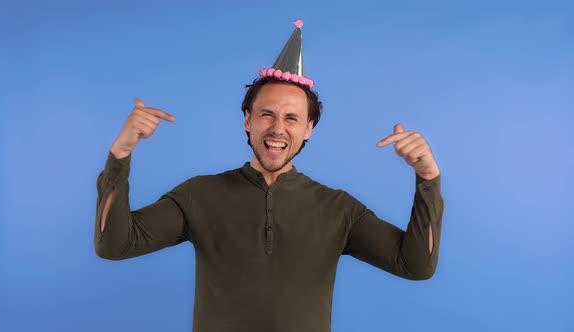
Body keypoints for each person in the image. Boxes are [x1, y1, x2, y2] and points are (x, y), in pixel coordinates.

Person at [95, 20, 443, 332]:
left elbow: (416, 265)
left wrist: (427, 179)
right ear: (248, 119)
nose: (278, 128)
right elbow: (114, 244)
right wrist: (120, 155)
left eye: (292, 118)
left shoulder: (339, 209)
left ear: (308, 129)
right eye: (267, 114)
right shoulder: (198, 195)